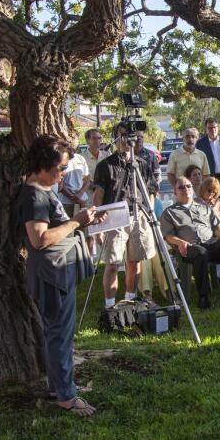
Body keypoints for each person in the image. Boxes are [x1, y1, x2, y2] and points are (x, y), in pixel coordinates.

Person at [19, 136, 103, 417]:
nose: (64, 173)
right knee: (59, 335)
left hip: (58, 270)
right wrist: (76, 222)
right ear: (44, 165)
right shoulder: (34, 194)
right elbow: (40, 239)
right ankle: (67, 396)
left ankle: (60, 386)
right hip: (52, 274)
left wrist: (83, 222)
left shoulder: (44, 189)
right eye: (62, 167)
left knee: (59, 333)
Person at [92, 123, 159, 308]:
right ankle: (110, 306)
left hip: (139, 215)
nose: (126, 140)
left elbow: (151, 190)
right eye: (122, 135)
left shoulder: (142, 164)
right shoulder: (105, 166)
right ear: (115, 138)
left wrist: (150, 214)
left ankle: (130, 300)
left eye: (130, 135)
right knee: (112, 263)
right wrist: (97, 226)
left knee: (134, 261)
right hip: (114, 217)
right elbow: (98, 195)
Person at [158, 177, 220, 309]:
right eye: (181, 187)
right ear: (175, 192)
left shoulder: (203, 207)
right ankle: (204, 296)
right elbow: (168, 236)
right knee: (201, 253)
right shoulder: (170, 212)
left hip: (210, 243)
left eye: (188, 186)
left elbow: (216, 228)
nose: (186, 189)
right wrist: (180, 242)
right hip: (189, 247)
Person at [55, 145, 90, 217]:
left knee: (83, 226)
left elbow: (87, 179)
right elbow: (59, 183)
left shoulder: (80, 158)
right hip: (66, 202)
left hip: (82, 200)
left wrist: (80, 194)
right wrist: (73, 197)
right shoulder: (60, 159)